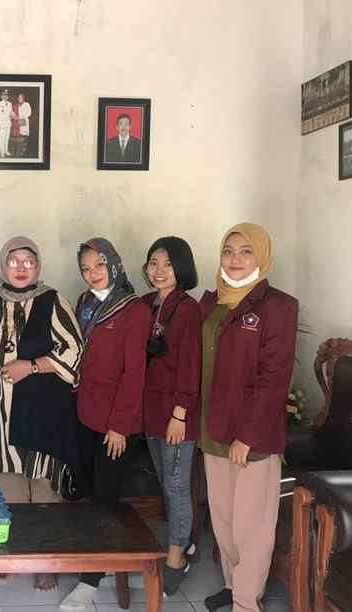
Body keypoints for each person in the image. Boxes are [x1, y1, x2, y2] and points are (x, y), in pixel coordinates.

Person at [0, 236, 83, 593]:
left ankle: (47, 562)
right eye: (13, 261)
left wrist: (29, 367)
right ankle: (13, 556)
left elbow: (74, 350)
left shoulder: (53, 300)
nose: (20, 268)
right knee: (7, 487)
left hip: (42, 413)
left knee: (43, 489)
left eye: (28, 261)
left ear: (38, 266)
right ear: (3, 265)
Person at [199, 223, 297, 612]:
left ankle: (245, 602)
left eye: (245, 251)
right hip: (213, 428)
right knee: (223, 519)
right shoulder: (213, 302)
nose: (235, 259)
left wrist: (248, 435)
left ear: (262, 256)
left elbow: (274, 378)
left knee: (251, 525)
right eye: (228, 251)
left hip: (251, 438)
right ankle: (232, 585)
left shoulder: (278, 306)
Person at [60, 238, 149, 612]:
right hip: (84, 412)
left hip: (114, 422)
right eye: (85, 268)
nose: (92, 273)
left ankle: (91, 581)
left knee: (105, 496)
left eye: (98, 265)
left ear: (113, 264)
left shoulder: (134, 309)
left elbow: (134, 373)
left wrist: (120, 425)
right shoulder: (85, 303)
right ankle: (94, 557)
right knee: (85, 491)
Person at [141, 237, 201, 596]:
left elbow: (190, 365)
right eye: (153, 263)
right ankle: (186, 540)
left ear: (181, 267)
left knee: (177, 487)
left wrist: (180, 414)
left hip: (177, 415)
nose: (159, 271)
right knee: (167, 483)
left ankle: (177, 558)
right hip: (151, 412)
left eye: (167, 264)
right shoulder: (148, 305)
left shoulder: (188, 309)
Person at [0, 89, 14, 158]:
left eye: (6, 95)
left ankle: (6, 150)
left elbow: (10, 113)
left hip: (8, 124)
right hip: (1, 125)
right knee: (2, 139)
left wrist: (13, 115)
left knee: (7, 138)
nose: (5, 96)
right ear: (1, 96)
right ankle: (2, 153)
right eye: (4, 95)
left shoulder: (10, 104)